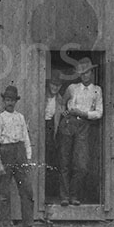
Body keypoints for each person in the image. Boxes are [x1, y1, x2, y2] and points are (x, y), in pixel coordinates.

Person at [0, 85, 44, 227]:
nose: (10, 103)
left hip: (20, 154)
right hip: (5, 153)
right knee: (4, 192)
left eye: (13, 100)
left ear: (16, 102)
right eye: (7, 100)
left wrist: (27, 158)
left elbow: (26, 139)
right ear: (3, 101)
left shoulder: (20, 118)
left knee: (26, 190)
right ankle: (6, 224)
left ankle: (28, 224)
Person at [56, 57, 103, 206]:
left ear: (92, 72)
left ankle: (74, 195)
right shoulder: (72, 88)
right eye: (83, 73)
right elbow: (62, 102)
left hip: (84, 125)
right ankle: (64, 196)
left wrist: (84, 114)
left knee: (81, 165)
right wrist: (64, 112)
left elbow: (99, 113)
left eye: (88, 72)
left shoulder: (97, 90)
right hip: (69, 123)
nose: (86, 76)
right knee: (64, 160)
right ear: (79, 75)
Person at [44, 70, 65, 198]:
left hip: (52, 128)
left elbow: (60, 115)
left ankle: (50, 192)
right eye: (53, 84)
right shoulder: (42, 95)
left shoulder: (60, 100)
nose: (54, 87)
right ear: (49, 84)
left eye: (57, 85)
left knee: (51, 159)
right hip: (42, 125)